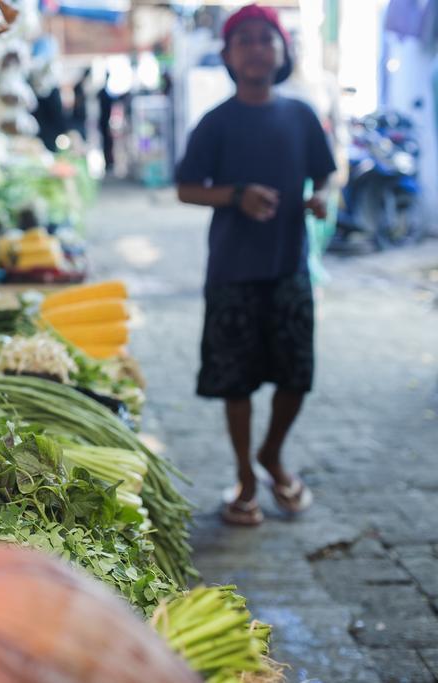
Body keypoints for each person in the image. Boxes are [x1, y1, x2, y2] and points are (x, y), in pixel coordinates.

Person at [175, 4, 336, 526]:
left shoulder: (301, 116)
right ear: (227, 54)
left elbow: (326, 177)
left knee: (296, 376)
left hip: (290, 267)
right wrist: (237, 195)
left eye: (265, 38)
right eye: (243, 39)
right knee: (236, 381)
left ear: (283, 51)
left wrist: (320, 200)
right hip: (232, 270)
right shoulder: (216, 122)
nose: (255, 48)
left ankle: (272, 453)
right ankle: (245, 475)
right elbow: (186, 188)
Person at [97, 74, 116, 172]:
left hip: (104, 121)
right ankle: (109, 163)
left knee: (107, 143)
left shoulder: (102, 92)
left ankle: (109, 162)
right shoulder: (104, 93)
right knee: (107, 143)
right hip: (105, 121)